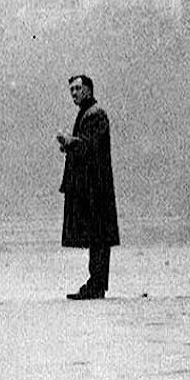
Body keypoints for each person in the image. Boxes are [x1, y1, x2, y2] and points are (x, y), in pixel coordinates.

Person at [57, 74, 120, 300]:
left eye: (77, 88)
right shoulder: (89, 113)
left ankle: (96, 285)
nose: (74, 93)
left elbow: (89, 146)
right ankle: (96, 284)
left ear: (89, 90)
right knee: (97, 236)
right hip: (93, 186)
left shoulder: (95, 114)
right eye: (71, 90)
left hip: (96, 187)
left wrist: (69, 141)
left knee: (98, 237)